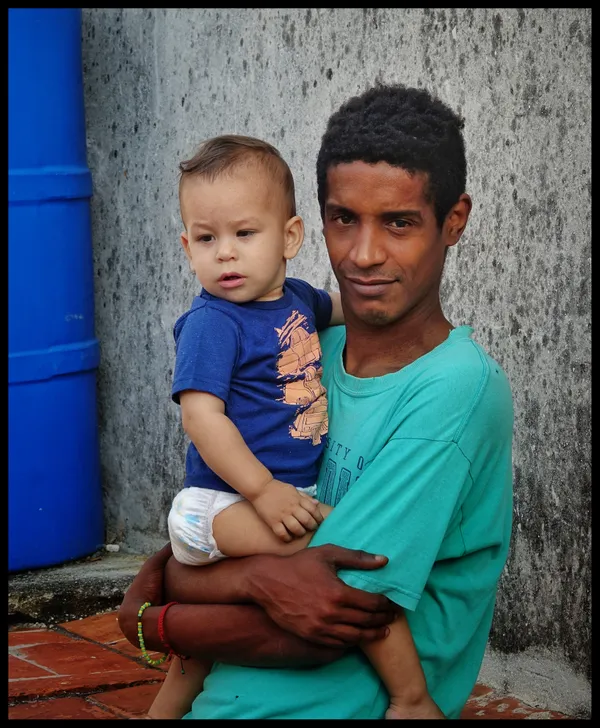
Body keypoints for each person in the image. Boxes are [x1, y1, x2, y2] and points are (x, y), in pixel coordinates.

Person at [119, 82, 514, 720]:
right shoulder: (303, 350)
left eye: (400, 222)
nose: (363, 254)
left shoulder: (454, 392)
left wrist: (154, 621)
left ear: (454, 221)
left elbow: (321, 617)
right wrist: (236, 582)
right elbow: (192, 562)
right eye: (344, 219)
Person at [147, 133, 441, 719]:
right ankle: (411, 699)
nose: (225, 253)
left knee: (202, 653)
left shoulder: (299, 301)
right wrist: (262, 490)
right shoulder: (212, 323)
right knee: (348, 557)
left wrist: (413, 332)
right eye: (207, 239)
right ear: (187, 247)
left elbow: (353, 310)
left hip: (276, 498)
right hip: (221, 502)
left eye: (243, 234)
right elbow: (201, 417)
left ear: (290, 237)